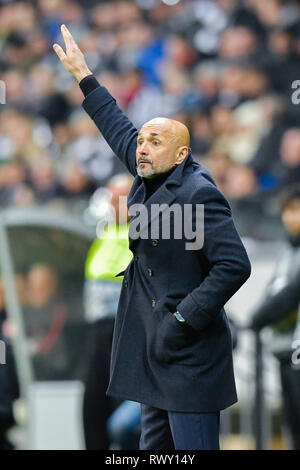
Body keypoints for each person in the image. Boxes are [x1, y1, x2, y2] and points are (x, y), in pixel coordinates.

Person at [53, 24, 251, 451]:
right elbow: (116, 126)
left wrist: (182, 318)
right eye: (141, 141)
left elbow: (234, 265)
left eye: (154, 141)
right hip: (153, 354)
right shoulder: (150, 173)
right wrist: (83, 75)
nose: (141, 147)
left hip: (189, 357)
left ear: (181, 153)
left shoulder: (200, 192)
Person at [82, 173, 139, 450]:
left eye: (121, 198)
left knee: (121, 410)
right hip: (98, 331)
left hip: (125, 328)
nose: (115, 204)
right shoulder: (104, 232)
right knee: (91, 406)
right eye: (112, 198)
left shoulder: (145, 232)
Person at [249, 184, 300, 449]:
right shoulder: (287, 251)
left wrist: (258, 318)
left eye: (296, 210)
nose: (290, 217)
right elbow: (273, 292)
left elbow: (289, 295)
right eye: (287, 211)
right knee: (292, 424)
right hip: (284, 349)